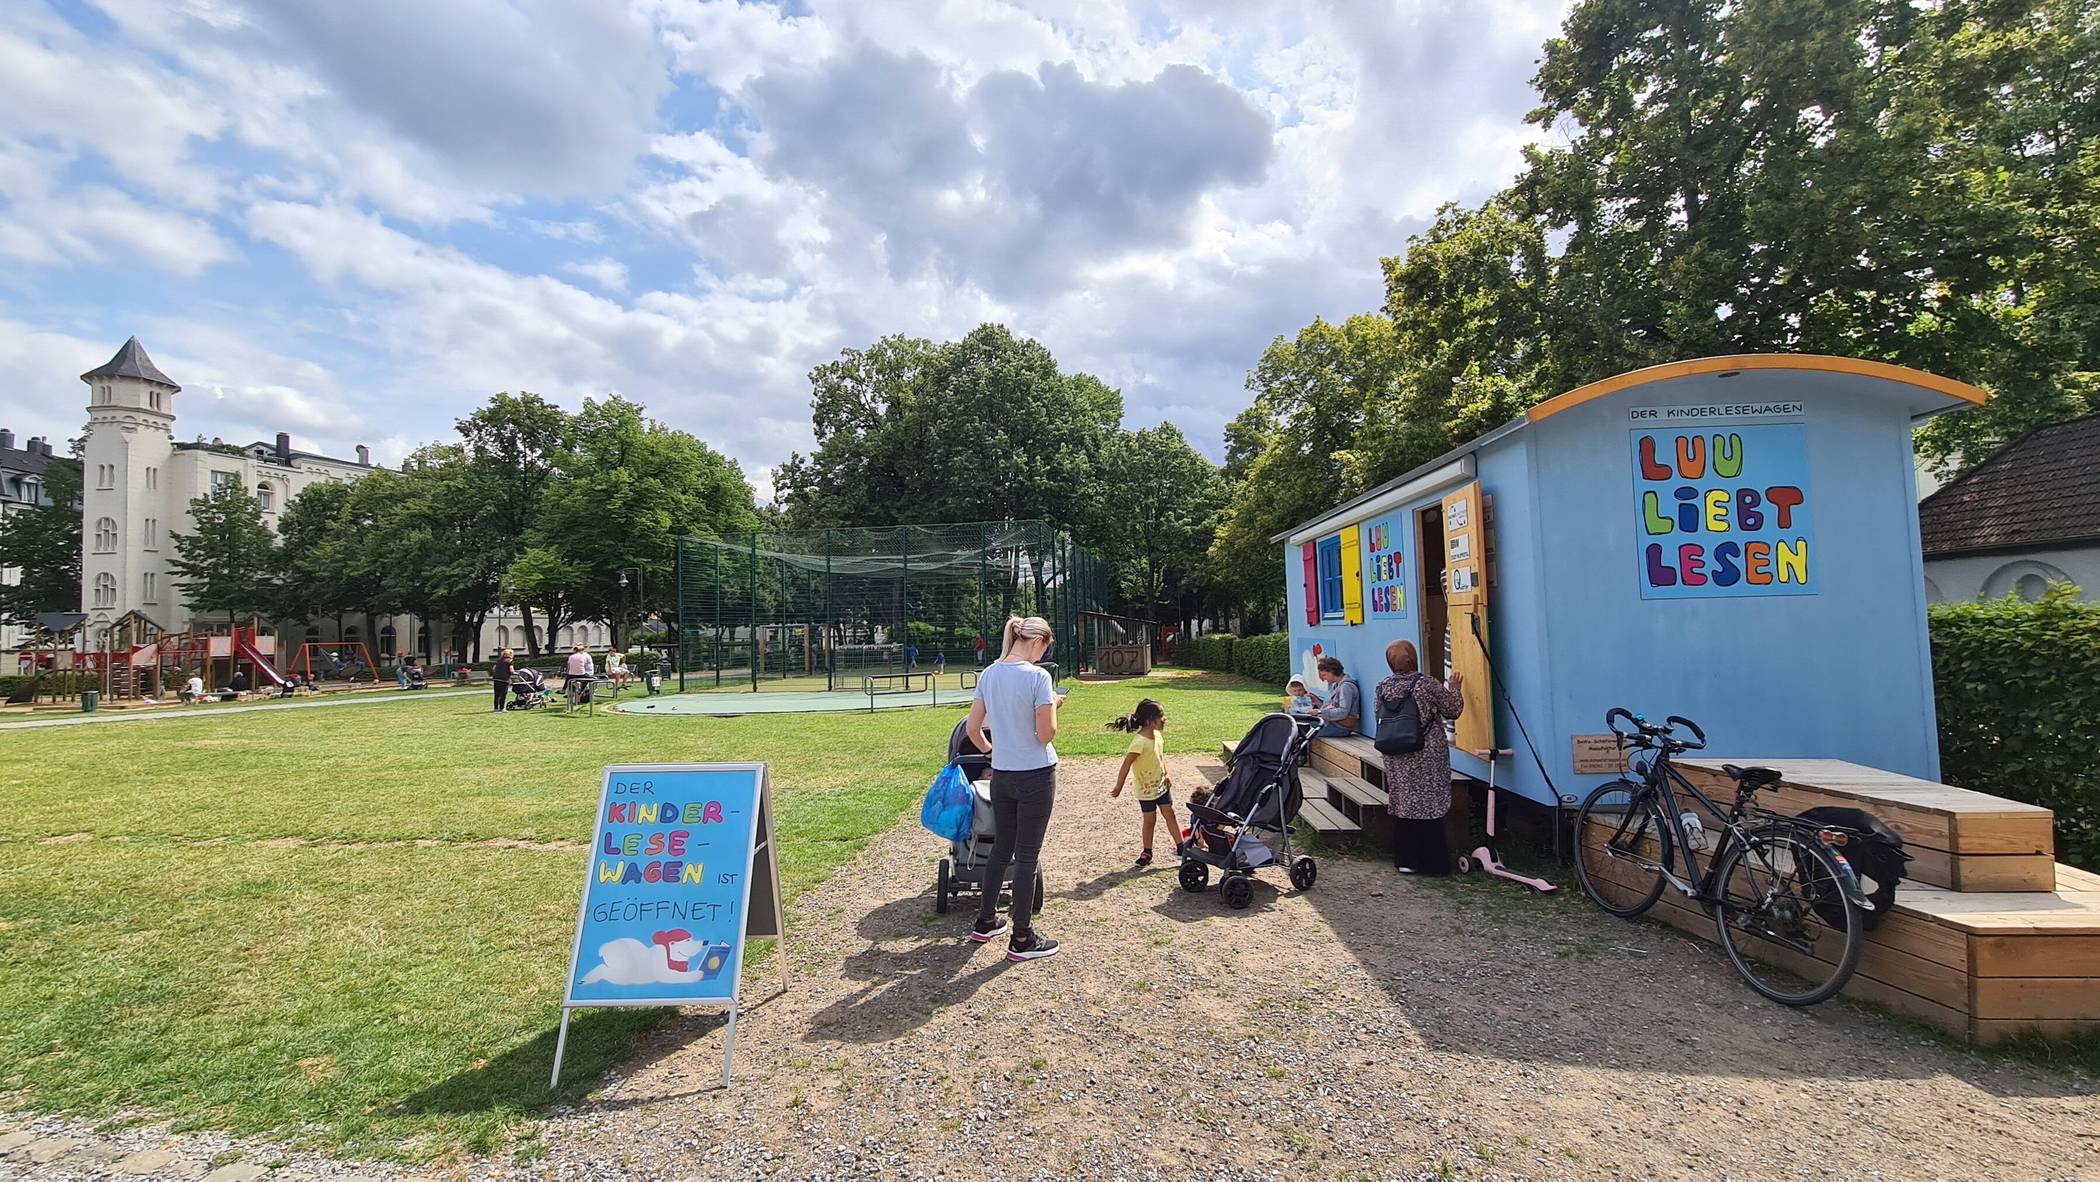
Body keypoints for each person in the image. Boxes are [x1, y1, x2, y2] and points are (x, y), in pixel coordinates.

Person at [964, 615, 1067, 962]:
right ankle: (1022, 937)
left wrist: (993, 751)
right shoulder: (1039, 677)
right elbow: (1045, 734)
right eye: (1045, 647)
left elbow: (973, 728)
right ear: (1037, 641)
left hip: (1003, 775)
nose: (1044, 654)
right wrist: (1054, 704)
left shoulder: (989, 674)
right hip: (1036, 773)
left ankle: (986, 920)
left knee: (1001, 849)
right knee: (1027, 855)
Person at [1373, 638, 1465, 875]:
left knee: (1404, 804)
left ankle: (1406, 860)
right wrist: (1455, 688)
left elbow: (1379, 716)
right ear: (1413, 658)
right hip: (1426, 753)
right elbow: (1452, 710)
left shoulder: (1382, 687)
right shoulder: (1426, 684)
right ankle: (1433, 863)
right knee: (1430, 805)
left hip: (1395, 754)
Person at [1107, 698, 1181, 868]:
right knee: (1150, 820)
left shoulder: (1157, 736)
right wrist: (1119, 786)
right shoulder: (1139, 742)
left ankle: (1181, 846)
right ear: (1149, 721)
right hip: (1146, 790)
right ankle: (1147, 851)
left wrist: (1167, 773)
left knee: (1170, 813)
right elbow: (1126, 764)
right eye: (1161, 716)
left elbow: (1161, 757)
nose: (1164, 719)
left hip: (1161, 785)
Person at [1312, 655, 1359, 737]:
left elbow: (1343, 712)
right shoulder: (1337, 686)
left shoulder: (1346, 687)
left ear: (1332, 671)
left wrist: (1320, 712)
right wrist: (1316, 702)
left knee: (1306, 730)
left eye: (1324, 675)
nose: (1323, 679)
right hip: (1334, 725)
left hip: (1340, 728)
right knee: (1304, 726)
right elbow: (1332, 706)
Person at [492, 648, 515, 712]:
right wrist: (515, 673)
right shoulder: (510, 661)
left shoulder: (499, 660)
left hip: (496, 679)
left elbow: (494, 668)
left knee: (497, 694)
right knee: (503, 694)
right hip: (504, 679)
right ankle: (502, 708)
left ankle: (496, 708)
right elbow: (511, 670)